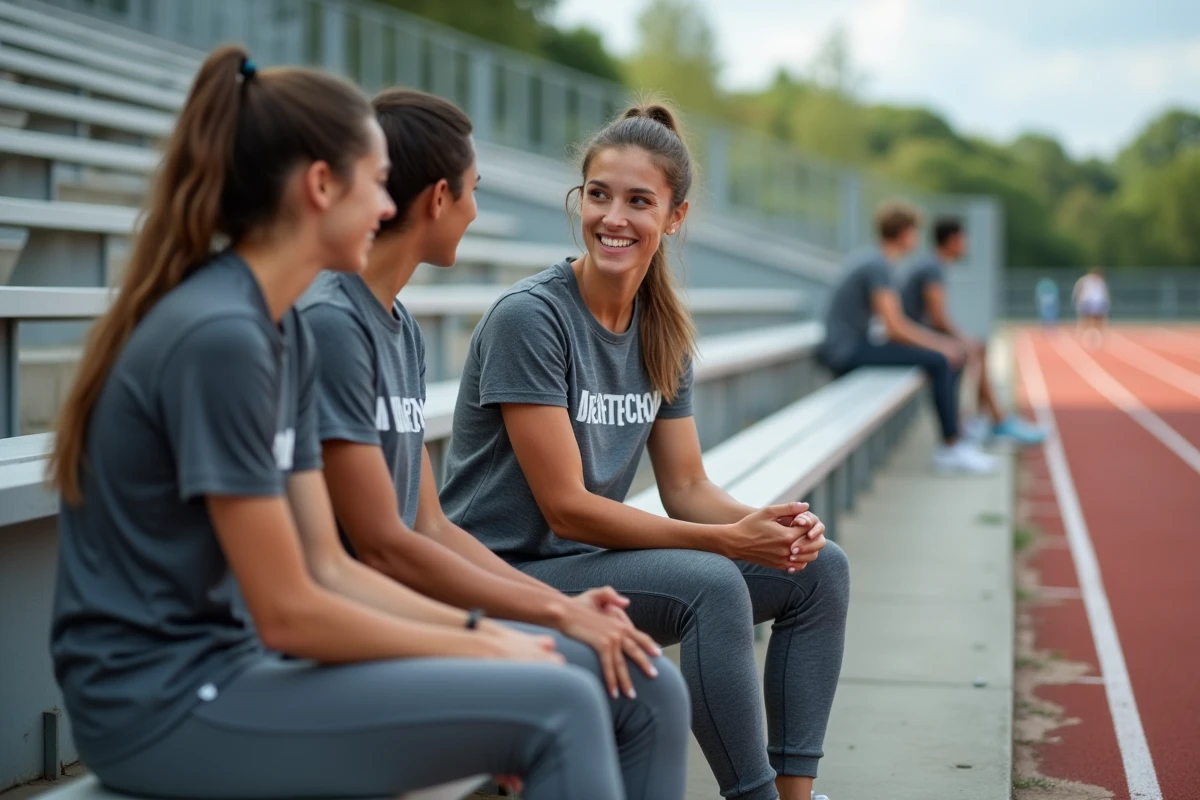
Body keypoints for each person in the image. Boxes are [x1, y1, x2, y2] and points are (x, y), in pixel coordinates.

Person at [46, 46, 627, 800]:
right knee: (560, 702)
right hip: (159, 704)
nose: (391, 208)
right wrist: (478, 643)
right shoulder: (223, 336)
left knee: (561, 680)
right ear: (321, 186)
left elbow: (327, 566)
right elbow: (290, 610)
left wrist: (484, 640)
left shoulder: (275, 327)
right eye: (379, 182)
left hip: (233, 671)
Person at [439, 102, 848, 800]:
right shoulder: (531, 320)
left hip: (589, 565)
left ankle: (794, 794)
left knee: (818, 569)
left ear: (675, 217)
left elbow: (687, 484)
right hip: (506, 572)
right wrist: (727, 543)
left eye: (639, 201)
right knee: (712, 583)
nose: (613, 218)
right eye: (598, 195)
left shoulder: (662, 329)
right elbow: (567, 510)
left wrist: (768, 525)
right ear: (580, 199)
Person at [296, 87, 690, 800]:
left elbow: (428, 523)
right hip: (348, 626)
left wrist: (554, 609)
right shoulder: (331, 323)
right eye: (473, 192)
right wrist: (533, 618)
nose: (477, 212)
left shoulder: (399, 326)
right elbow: (382, 547)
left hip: (394, 605)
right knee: (583, 690)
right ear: (439, 198)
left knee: (649, 682)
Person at [816, 202, 995, 475]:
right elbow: (895, 328)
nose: (917, 239)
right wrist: (941, 344)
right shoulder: (878, 265)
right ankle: (950, 446)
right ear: (904, 234)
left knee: (946, 356)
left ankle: (956, 434)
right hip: (846, 351)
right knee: (940, 359)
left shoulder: (875, 260)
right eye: (914, 232)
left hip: (849, 345)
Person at [900, 217, 1045, 445]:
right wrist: (963, 339)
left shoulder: (933, 264)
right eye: (963, 240)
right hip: (911, 339)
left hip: (916, 335)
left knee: (976, 347)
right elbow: (938, 319)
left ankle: (983, 420)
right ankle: (970, 428)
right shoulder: (932, 267)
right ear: (952, 240)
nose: (966, 245)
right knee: (964, 351)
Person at [1073, 267, 1110, 348]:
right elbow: (1077, 290)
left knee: (1098, 321)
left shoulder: (1100, 282)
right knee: (1086, 320)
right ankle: (1084, 336)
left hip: (1097, 303)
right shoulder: (1084, 280)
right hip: (1087, 302)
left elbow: (1104, 294)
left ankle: (1097, 337)